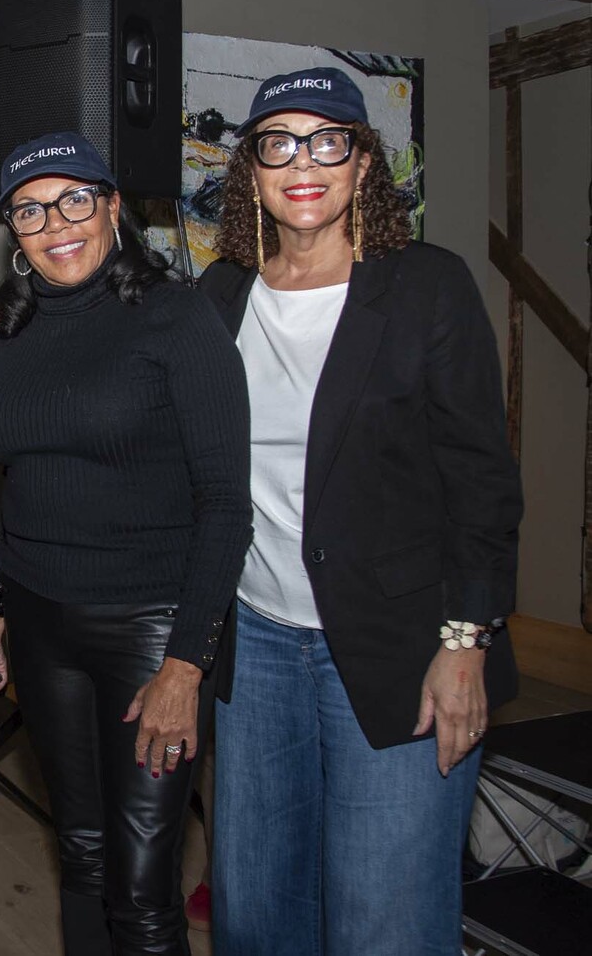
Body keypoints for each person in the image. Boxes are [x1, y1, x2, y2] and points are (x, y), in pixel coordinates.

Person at [200, 67, 521, 955]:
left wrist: (466, 647)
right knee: (257, 915)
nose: (304, 163)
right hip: (256, 647)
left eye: (328, 140)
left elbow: (483, 485)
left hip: (405, 648)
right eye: (279, 144)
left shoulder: (427, 288)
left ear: (364, 163)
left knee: (386, 920)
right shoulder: (222, 297)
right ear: (252, 172)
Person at [0, 132, 251, 955]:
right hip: (45, 624)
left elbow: (227, 506)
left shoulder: (176, 316)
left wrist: (185, 666)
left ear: (114, 208)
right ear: (13, 230)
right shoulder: (10, 331)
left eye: (75, 200)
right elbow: (28, 488)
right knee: (81, 852)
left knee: (142, 882)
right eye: (30, 208)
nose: (56, 223)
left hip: (151, 632)